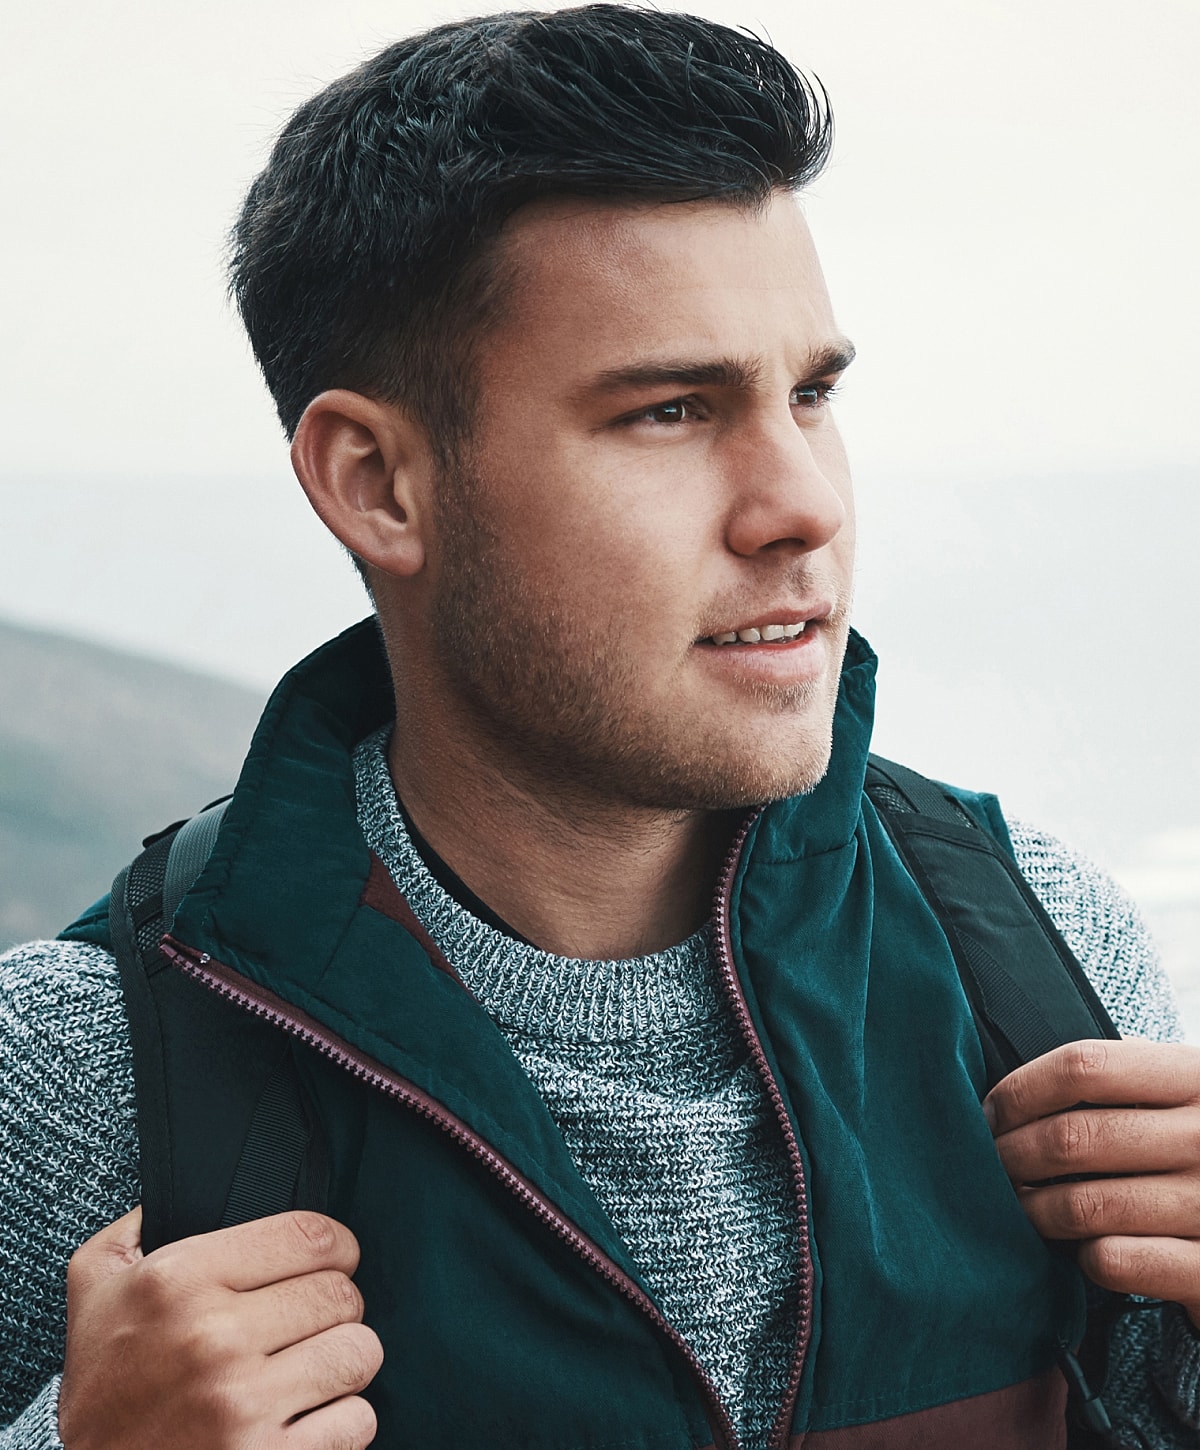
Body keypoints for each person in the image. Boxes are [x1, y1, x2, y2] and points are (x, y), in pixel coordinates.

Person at [1, 5, 1198, 1447]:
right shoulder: (79, 1074)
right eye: (671, 411)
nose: (803, 503)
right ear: (376, 482)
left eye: (810, 394)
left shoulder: (1048, 951)